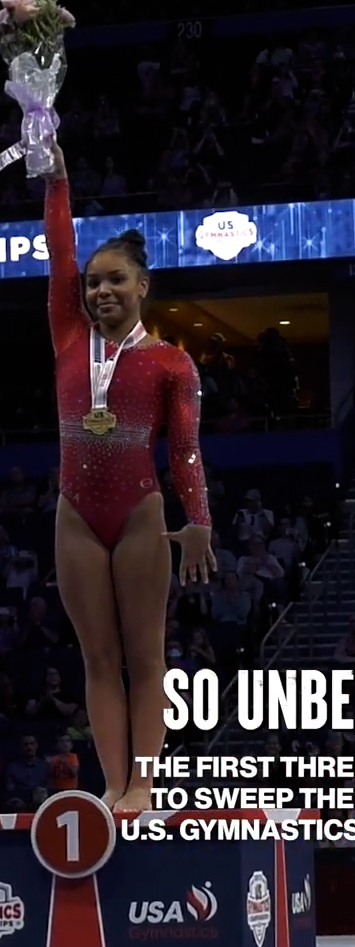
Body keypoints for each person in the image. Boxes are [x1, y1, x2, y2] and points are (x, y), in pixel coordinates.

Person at [45, 142, 215, 813]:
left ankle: (144, 781)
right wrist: (57, 176)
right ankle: (113, 784)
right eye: (92, 282)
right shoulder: (66, 336)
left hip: (140, 512)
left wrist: (197, 522)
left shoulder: (172, 363)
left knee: (145, 656)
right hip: (75, 514)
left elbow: (188, 451)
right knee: (96, 656)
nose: (100, 290)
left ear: (143, 284)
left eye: (115, 279)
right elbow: (59, 252)